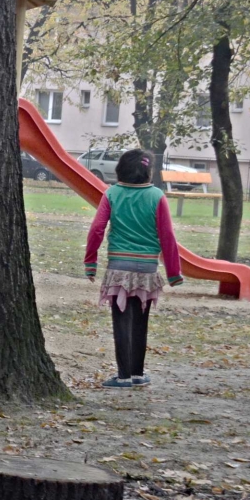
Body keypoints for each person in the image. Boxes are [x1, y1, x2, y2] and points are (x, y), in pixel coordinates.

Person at [84, 149, 183, 388]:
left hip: (119, 267)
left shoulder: (112, 194)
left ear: (121, 169)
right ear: (147, 171)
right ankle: (138, 373)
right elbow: (167, 234)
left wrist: (91, 262)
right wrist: (173, 272)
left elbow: (97, 228)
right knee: (141, 320)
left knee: (121, 321)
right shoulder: (157, 196)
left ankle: (124, 375)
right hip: (148, 269)